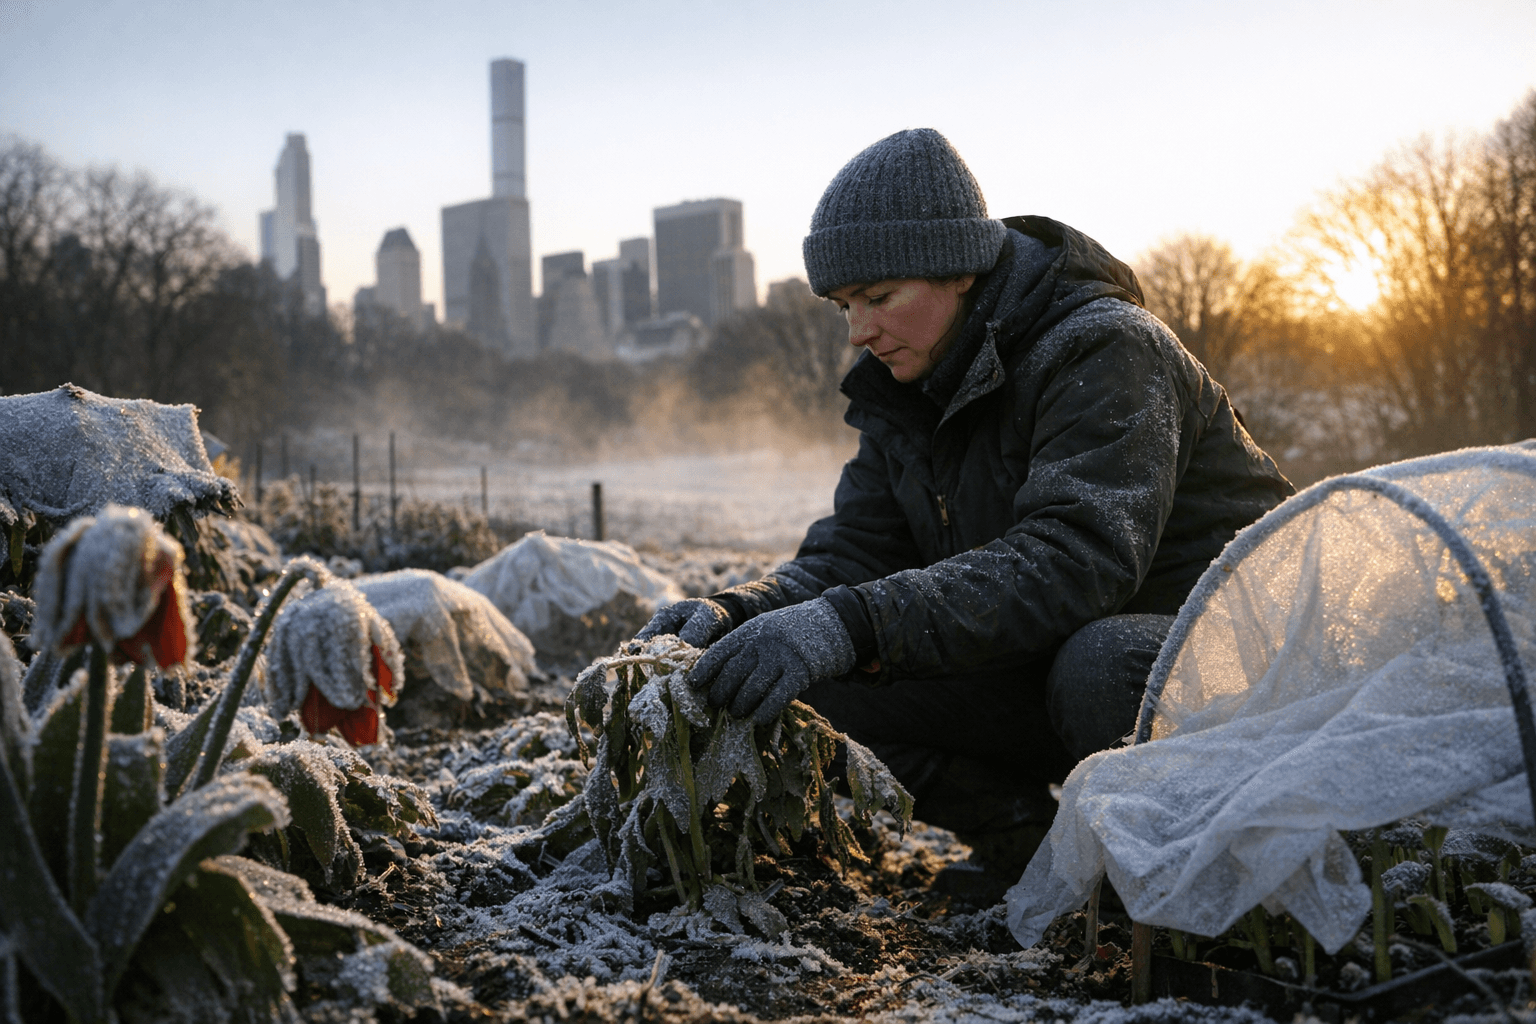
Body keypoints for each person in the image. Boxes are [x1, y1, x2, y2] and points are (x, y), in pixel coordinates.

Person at [637, 128, 1293, 899]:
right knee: (809, 678)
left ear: (961, 270)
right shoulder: (903, 390)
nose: (859, 330)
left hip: (1229, 675)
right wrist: (738, 613)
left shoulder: (1107, 349)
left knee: (1099, 662)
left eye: (880, 298)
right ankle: (1030, 848)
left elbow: (1075, 561)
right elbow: (854, 555)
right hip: (1042, 666)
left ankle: (1179, 873)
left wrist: (853, 624)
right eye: (846, 305)